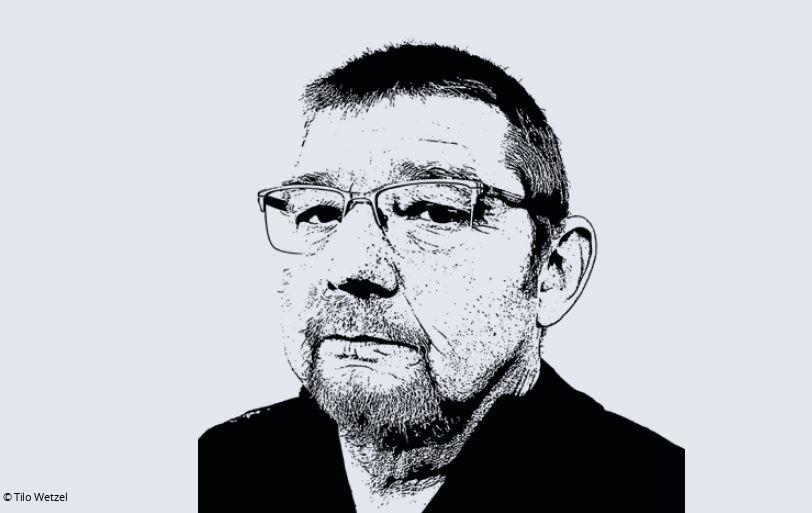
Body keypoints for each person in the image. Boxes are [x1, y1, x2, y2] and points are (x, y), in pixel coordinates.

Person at [199, 43, 684, 512]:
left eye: (434, 210)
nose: (350, 267)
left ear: (553, 271)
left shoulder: (661, 492)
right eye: (319, 212)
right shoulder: (216, 469)